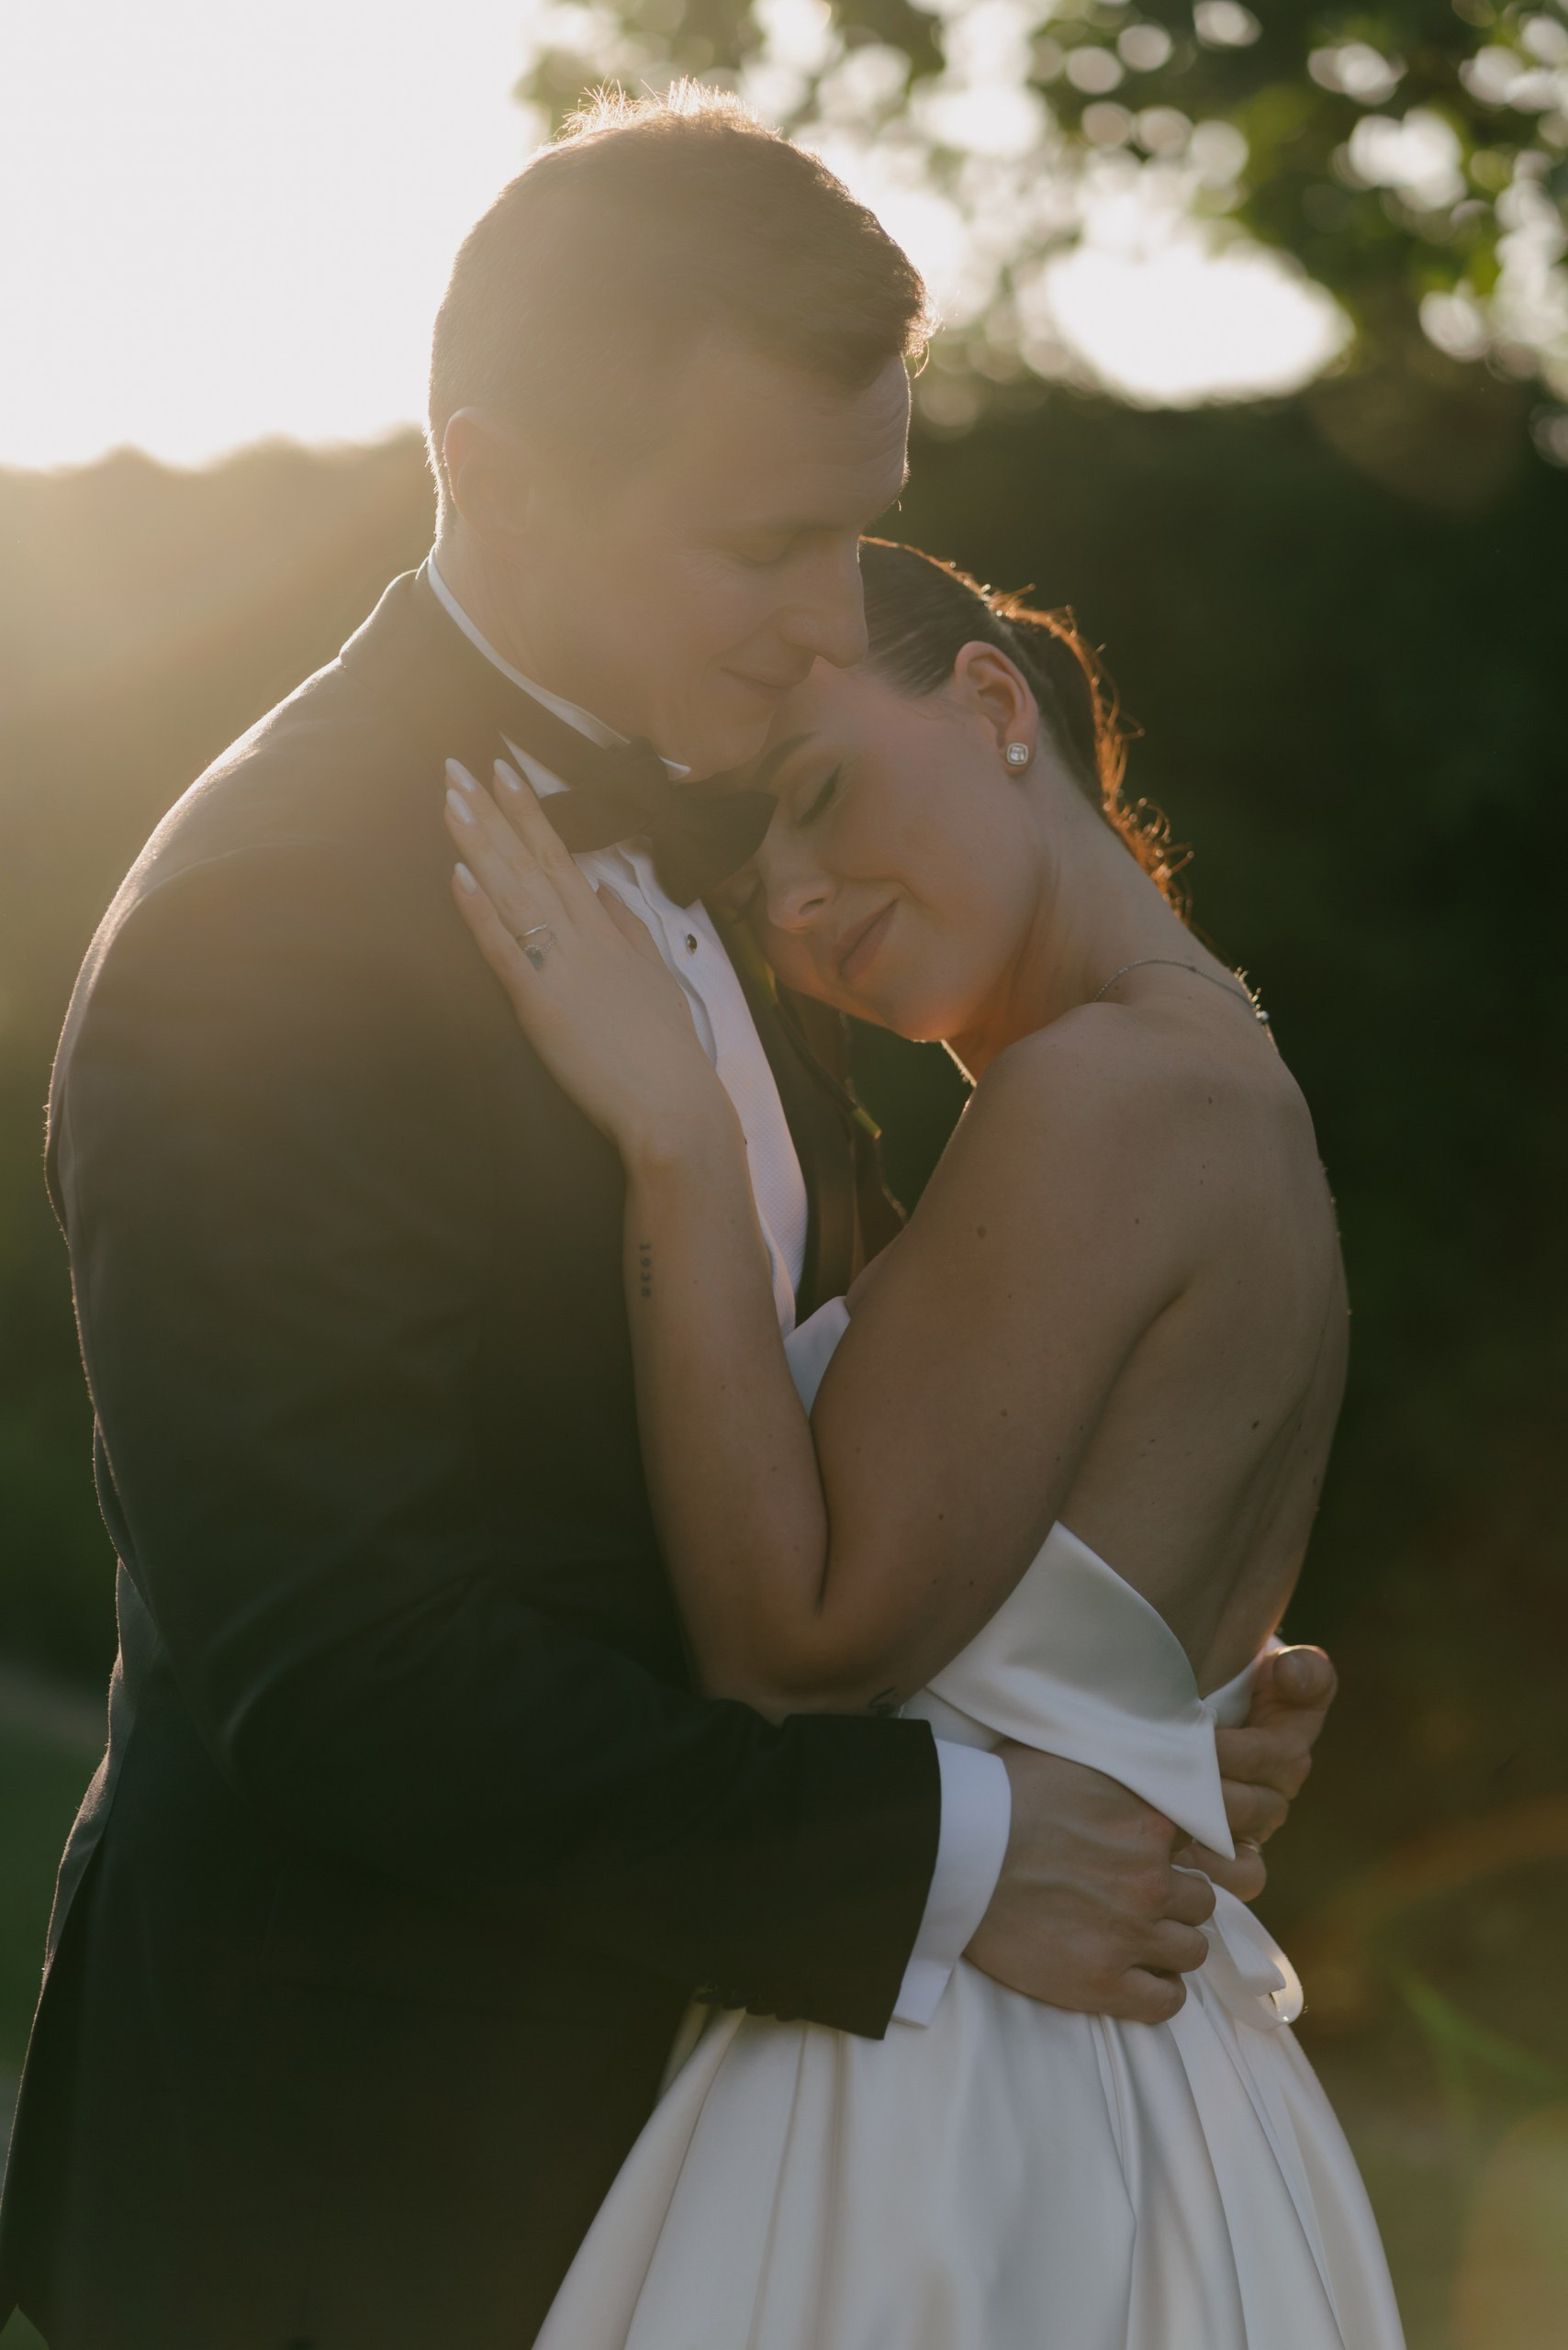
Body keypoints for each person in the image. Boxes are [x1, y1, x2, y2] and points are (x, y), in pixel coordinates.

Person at [0, 95, 1333, 2348]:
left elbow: (838, 1425)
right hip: (363, 2184)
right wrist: (960, 1847)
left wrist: (1125, 1696)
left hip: (737, 2142)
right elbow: (343, 1664)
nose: (832, 623)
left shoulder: (716, 826)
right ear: (499, 476)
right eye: (761, 546)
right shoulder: (266, 925)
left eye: (863, 531)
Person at [437, 536, 1404, 2348]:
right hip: (1126, 2084)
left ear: (984, 704)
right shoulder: (1220, 1075)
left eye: (814, 799)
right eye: (750, 877)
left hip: (958, 2108)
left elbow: (794, 1644)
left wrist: (674, 1139)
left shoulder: (1098, 1091)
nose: (793, 905)